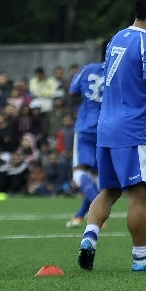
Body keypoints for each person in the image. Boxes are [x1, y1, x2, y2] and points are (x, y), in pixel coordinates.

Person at [77, 0, 146, 273]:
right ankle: (141, 259)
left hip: (106, 129)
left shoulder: (117, 39)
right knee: (139, 195)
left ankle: (89, 238)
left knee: (109, 191)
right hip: (133, 131)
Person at [65, 62, 104, 228]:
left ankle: (98, 212)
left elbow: (73, 91)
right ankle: (80, 216)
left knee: (79, 172)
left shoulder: (87, 69)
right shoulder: (120, 72)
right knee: (96, 175)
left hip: (86, 126)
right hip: (106, 128)